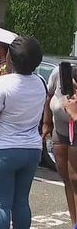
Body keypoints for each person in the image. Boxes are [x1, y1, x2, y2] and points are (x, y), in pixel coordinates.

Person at [0, 36, 45, 229]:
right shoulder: (40, 83)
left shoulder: (2, 84)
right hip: (31, 150)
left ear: (11, 59)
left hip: (2, 150)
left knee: (0, 205)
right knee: (21, 202)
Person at [42, 65, 77, 225]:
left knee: (75, 180)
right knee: (68, 180)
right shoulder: (59, 73)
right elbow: (49, 96)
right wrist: (47, 122)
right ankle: (74, 222)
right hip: (62, 133)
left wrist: (75, 114)